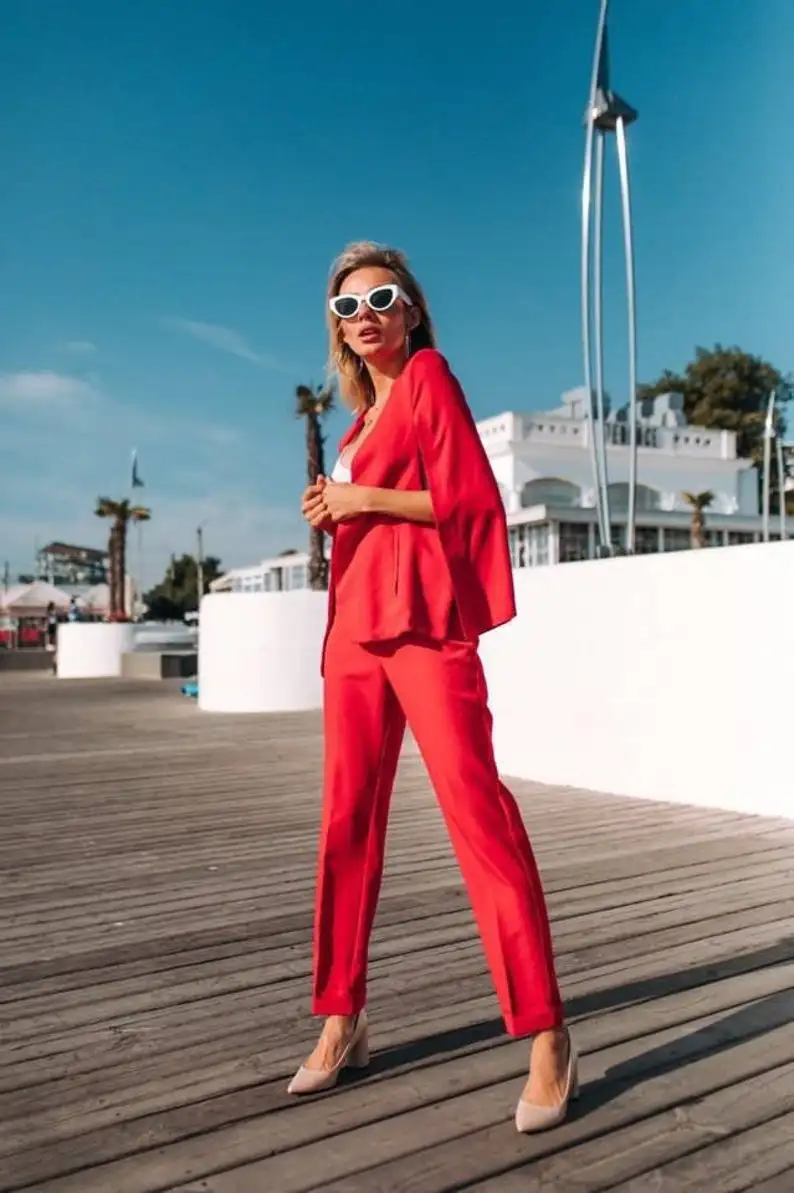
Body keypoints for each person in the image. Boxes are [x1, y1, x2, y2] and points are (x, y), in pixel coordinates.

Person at [291, 242, 577, 1133]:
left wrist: (362, 502)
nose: (366, 313)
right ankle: (343, 1018)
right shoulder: (354, 427)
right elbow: (368, 515)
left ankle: (548, 1032)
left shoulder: (428, 378)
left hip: (425, 630)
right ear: (338, 332)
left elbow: (469, 499)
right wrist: (334, 507)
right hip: (354, 642)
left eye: (381, 297)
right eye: (348, 307)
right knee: (345, 827)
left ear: (411, 309)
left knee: (478, 817)